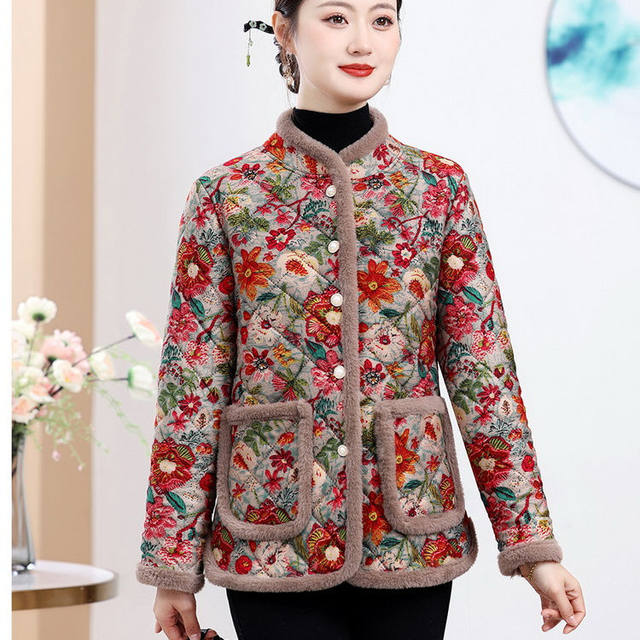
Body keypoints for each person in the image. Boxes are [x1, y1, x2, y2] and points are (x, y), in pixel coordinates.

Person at [137, 2, 586, 639]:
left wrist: (532, 546)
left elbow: (483, 373)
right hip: (271, 531)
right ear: (285, 30)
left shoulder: (438, 187)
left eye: (381, 20)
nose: (362, 42)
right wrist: (173, 567)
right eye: (336, 18)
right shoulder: (226, 194)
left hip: (410, 529)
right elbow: (192, 383)